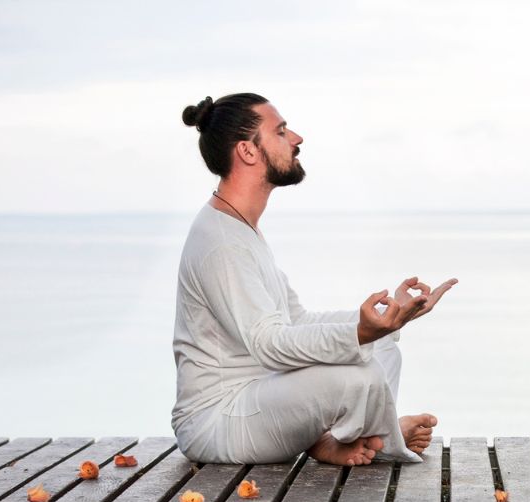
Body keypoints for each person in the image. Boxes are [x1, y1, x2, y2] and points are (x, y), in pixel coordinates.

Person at [170, 92, 456, 466]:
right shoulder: (221, 243)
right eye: (282, 131)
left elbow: (297, 322)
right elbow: (268, 344)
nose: (297, 139)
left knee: (384, 347)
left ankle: (344, 439)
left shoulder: (242, 230)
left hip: (261, 400)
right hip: (218, 421)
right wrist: (358, 334)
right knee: (360, 377)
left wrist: (385, 321)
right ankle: (379, 438)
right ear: (248, 152)